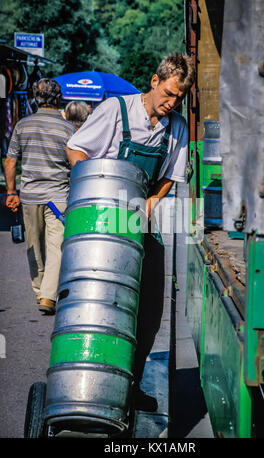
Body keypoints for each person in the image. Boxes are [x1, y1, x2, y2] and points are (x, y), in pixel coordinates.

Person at [66, 53, 195, 411]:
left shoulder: (177, 127)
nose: (172, 103)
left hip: (140, 222)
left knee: (150, 309)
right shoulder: (115, 110)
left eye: (179, 98)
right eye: (168, 94)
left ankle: (129, 384)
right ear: (155, 81)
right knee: (97, 305)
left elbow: (170, 176)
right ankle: (85, 381)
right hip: (101, 221)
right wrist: (96, 191)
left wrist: (148, 206)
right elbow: (75, 149)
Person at [5, 78, 76, 315]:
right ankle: (48, 295)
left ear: (36, 99)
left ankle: (40, 290)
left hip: (31, 195)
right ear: (58, 99)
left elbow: (11, 161)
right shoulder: (68, 129)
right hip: (58, 196)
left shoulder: (22, 125)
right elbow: (75, 164)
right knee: (57, 246)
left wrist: (11, 191)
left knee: (34, 245)